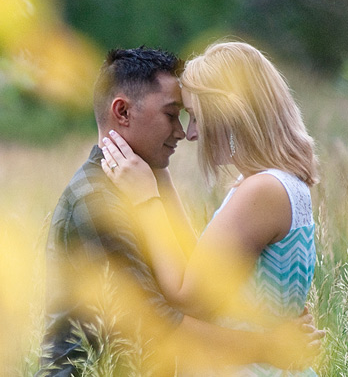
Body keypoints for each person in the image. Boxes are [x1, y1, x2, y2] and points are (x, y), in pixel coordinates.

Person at [37, 46, 322, 377]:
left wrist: (154, 190)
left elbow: (189, 293)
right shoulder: (98, 201)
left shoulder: (261, 189)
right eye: (174, 115)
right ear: (123, 112)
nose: (187, 133)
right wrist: (269, 345)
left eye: (193, 116)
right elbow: (165, 320)